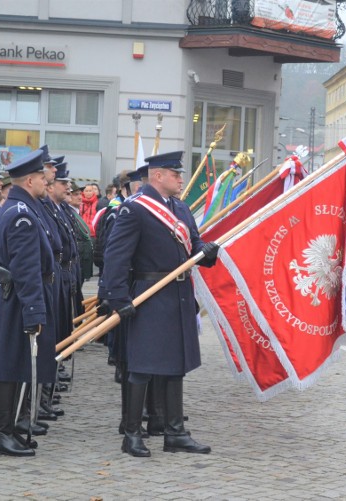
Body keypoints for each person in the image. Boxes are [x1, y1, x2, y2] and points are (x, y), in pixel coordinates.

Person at [99, 151, 220, 458]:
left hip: (178, 294)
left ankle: (174, 431)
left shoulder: (178, 206)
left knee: (175, 364)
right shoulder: (135, 209)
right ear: (157, 176)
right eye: (175, 174)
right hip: (149, 292)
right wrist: (117, 298)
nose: (181, 179)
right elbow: (116, 256)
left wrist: (208, 252)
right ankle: (132, 434)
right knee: (142, 365)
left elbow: (193, 243)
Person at [0, 149, 57, 457]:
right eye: (42, 177)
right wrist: (34, 312)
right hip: (19, 299)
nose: (46, 181)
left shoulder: (20, 207)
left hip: (17, 297)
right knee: (12, 367)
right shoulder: (22, 215)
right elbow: (26, 269)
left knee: (16, 367)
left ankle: (12, 428)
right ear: (29, 180)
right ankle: (2, 433)